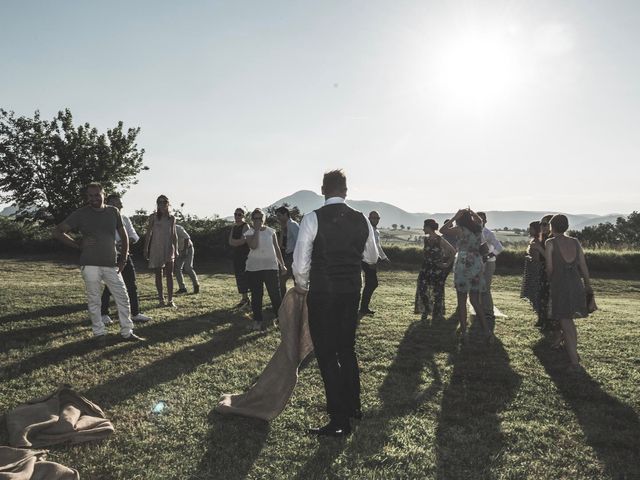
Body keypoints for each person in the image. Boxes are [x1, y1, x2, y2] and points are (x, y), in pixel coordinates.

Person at [293, 169, 378, 437]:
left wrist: (303, 286)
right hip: (351, 290)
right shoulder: (361, 219)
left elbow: (300, 262)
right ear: (345, 190)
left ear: (322, 189)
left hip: (323, 293)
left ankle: (339, 419)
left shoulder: (312, 219)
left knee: (327, 353)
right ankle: (353, 407)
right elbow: (372, 257)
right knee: (347, 349)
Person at [53, 183, 144, 345]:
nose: (94, 198)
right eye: (90, 196)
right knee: (94, 300)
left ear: (103, 194)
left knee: (123, 297)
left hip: (111, 264)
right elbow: (58, 231)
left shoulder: (113, 211)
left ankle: (127, 332)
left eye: (97, 195)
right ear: (86, 197)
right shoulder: (81, 213)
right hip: (90, 265)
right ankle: (99, 333)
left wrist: (122, 259)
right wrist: (78, 244)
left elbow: (124, 237)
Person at [545, 214, 593, 372]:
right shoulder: (575, 242)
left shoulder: (550, 243)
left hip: (560, 285)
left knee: (566, 324)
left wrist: (550, 282)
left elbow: (550, 269)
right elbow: (583, 265)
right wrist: (587, 285)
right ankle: (574, 357)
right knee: (569, 323)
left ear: (552, 227)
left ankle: (575, 364)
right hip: (576, 284)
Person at [440, 208, 493, 344]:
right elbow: (480, 220)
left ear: (460, 219)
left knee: (462, 300)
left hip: (464, 263)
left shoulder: (460, 229)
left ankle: (464, 332)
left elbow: (442, 230)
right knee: (475, 300)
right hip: (476, 262)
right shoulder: (478, 228)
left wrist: (454, 216)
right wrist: (471, 212)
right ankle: (487, 331)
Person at [100, 194, 151, 325]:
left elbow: (134, 236)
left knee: (131, 285)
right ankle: (103, 314)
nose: (118, 205)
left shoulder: (125, 219)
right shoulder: (103, 219)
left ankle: (135, 313)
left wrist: (128, 241)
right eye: (115, 203)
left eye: (119, 203)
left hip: (125, 255)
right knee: (110, 285)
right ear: (108, 204)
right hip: (109, 256)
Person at [244, 208, 287, 331]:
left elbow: (277, 249)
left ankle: (280, 318)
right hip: (254, 269)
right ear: (252, 219)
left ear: (264, 219)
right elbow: (254, 246)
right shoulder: (249, 233)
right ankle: (257, 320)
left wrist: (282, 264)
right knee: (257, 295)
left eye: (260, 218)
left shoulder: (271, 231)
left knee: (275, 295)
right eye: (255, 218)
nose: (258, 220)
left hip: (271, 267)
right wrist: (256, 231)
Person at [414, 219, 455, 321]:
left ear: (429, 227)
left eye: (424, 226)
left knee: (437, 292)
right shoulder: (425, 239)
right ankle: (427, 309)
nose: (423, 228)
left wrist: (446, 264)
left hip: (437, 269)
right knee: (422, 288)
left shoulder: (440, 240)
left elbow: (453, 252)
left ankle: (436, 313)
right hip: (425, 268)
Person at [144, 195, 178, 307]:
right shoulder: (153, 217)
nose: (161, 204)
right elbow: (149, 233)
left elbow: (174, 235)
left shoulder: (171, 218)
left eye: (164, 202)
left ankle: (170, 300)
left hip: (168, 248)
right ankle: (161, 299)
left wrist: (176, 249)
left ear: (168, 204)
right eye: (159, 202)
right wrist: (146, 248)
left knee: (169, 274)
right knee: (158, 273)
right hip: (156, 247)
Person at [477, 212, 504, 333]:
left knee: (485, 288)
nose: (479, 221)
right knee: (477, 288)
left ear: (485, 221)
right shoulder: (473, 232)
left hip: (489, 263)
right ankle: (479, 310)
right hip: (476, 263)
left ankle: (488, 312)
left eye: (481, 220)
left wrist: (488, 256)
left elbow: (499, 247)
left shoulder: (488, 233)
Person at [359, 211, 389, 316]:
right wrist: (368, 260)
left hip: (372, 261)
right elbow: (361, 245)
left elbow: (377, 246)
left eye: (377, 218)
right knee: (372, 283)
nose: (376, 220)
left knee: (370, 284)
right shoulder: (366, 230)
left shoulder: (376, 232)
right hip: (366, 261)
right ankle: (363, 308)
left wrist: (384, 257)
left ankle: (363, 307)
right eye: (374, 218)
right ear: (369, 218)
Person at [521, 221, 545, 322]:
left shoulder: (538, 242)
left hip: (536, 269)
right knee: (533, 292)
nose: (529, 230)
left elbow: (540, 257)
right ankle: (539, 315)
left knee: (536, 293)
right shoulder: (533, 240)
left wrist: (530, 258)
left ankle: (540, 317)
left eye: (531, 228)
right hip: (531, 269)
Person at [275, 206, 300, 297]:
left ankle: (294, 301)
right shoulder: (284, 226)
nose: (278, 218)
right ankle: (286, 301)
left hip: (293, 255)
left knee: (286, 279)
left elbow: (299, 241)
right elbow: (280, 244)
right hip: (286, 255)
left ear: (286, 214)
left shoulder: (293, 225)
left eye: (279, 216)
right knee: (286, 279)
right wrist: (282, 230)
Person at [228, 208, 250, 307]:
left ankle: (248, 298)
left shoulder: (246, 226)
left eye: (239, 214)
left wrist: (235, 242)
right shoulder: (234, 227)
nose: (237, 216)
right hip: (236, 255)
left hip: (245, 255)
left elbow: (243, 240)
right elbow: (230, 241)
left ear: (243, 216)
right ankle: (244, 298)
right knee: (239, 276)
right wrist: (237, 242)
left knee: (246, 276)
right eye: (235, 214)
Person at [174, 224, 200, 294]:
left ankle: (196, 285)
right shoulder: (166, 231)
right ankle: (182, 288)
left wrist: (185, 250)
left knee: (188, 267)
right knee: (177, 269)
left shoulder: (178, 228)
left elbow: (187, 237)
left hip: (188, 248)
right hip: (179, 250)